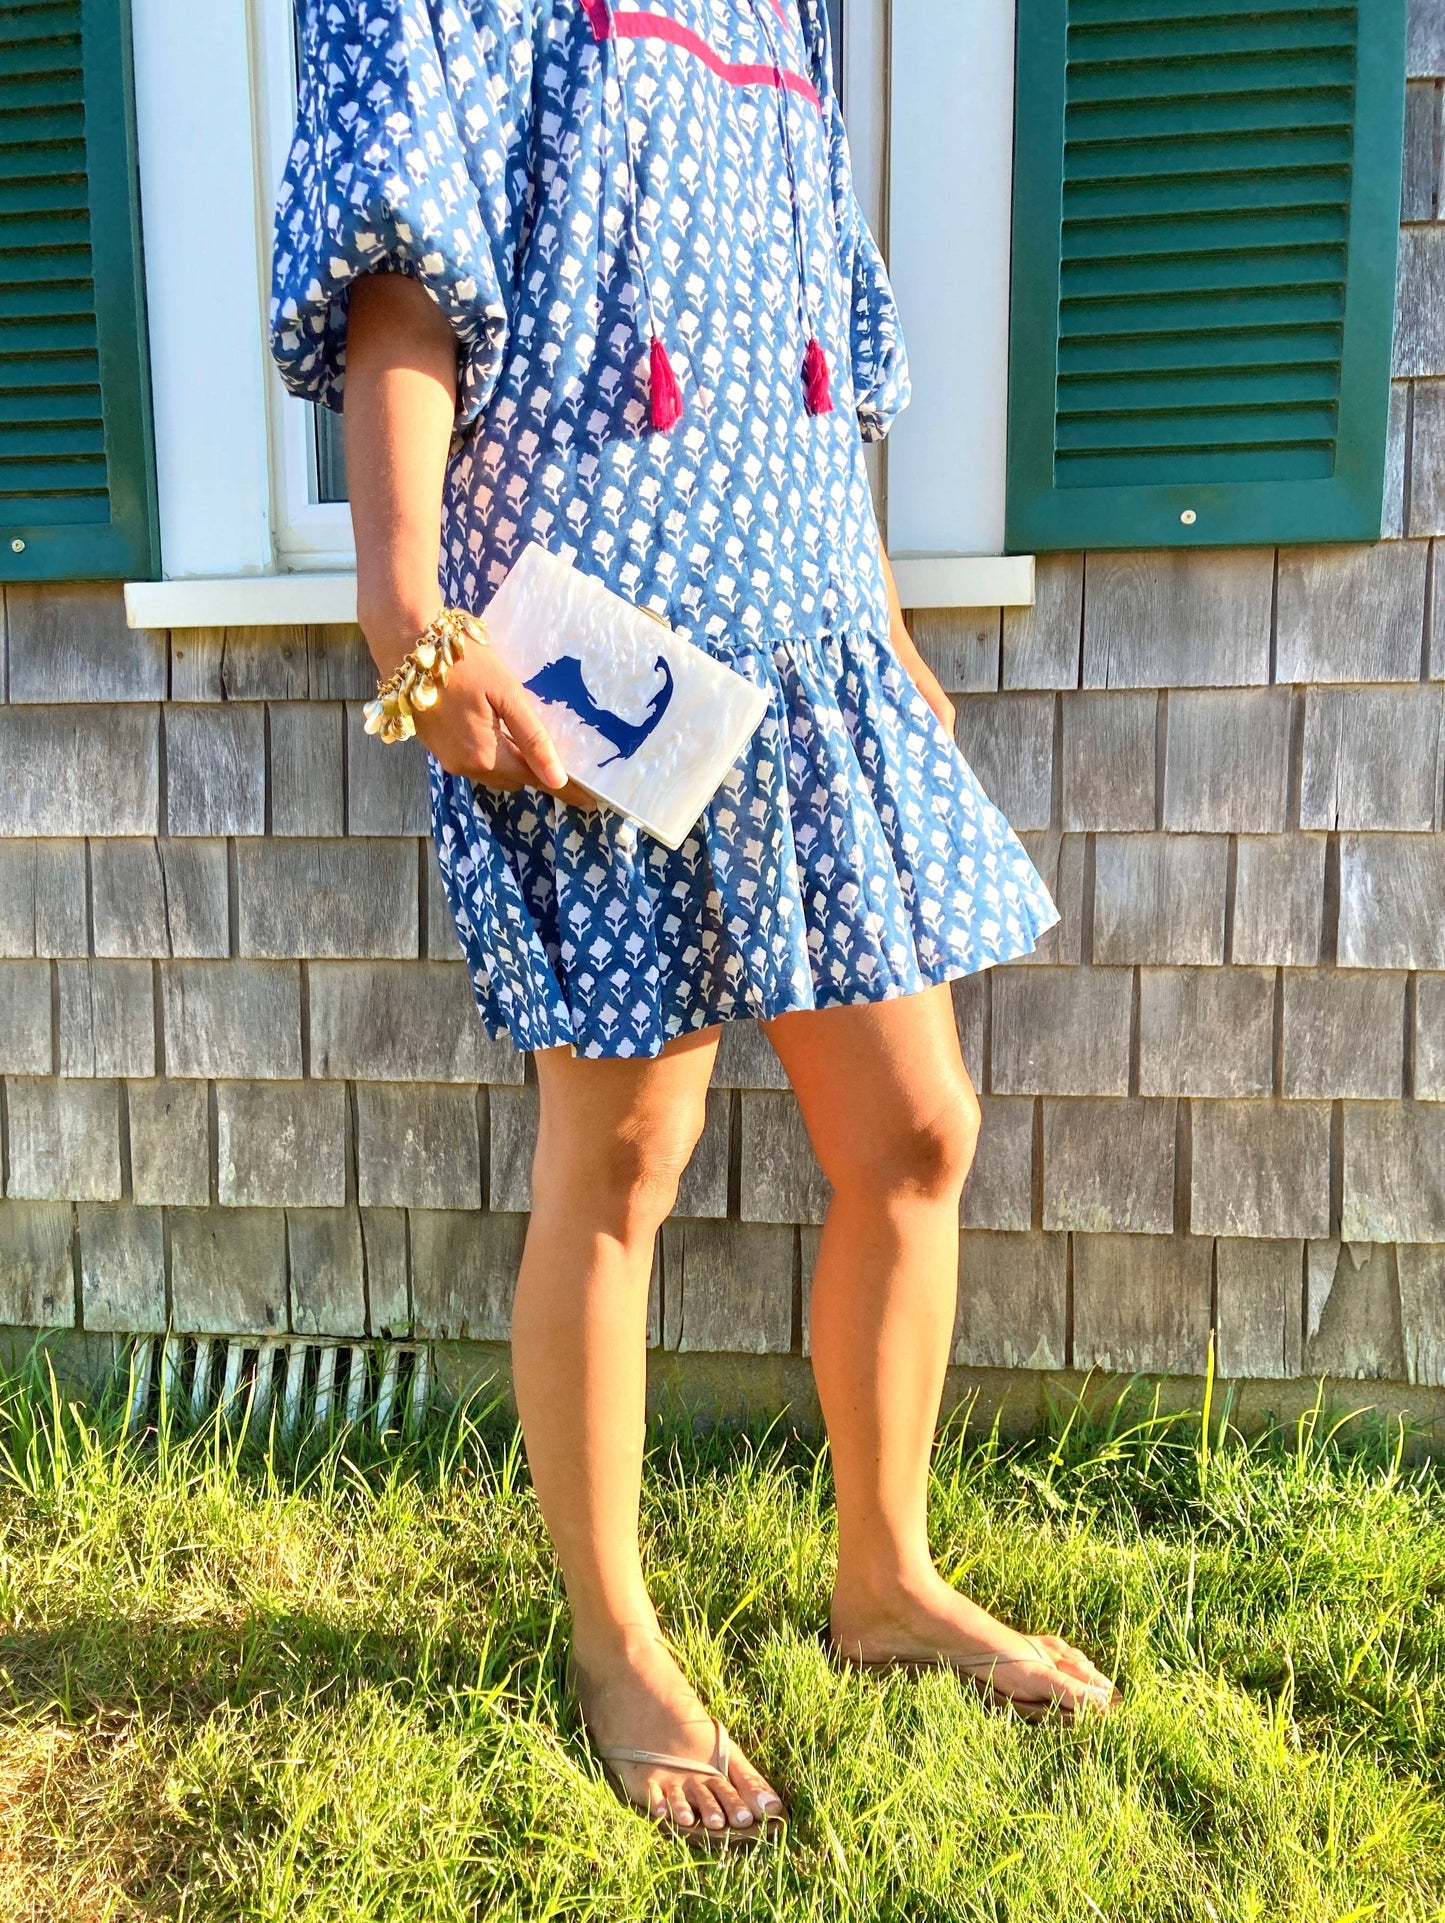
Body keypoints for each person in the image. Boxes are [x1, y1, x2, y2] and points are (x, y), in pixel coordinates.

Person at [271, 0, 1119, 1848]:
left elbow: (812, 311)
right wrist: (409, 598)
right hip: (600, 646)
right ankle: (615, 1644)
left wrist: (879, 612)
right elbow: (402, 272)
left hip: (809, 629)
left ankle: (884, 1579)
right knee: (627, 1150)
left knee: (912, 1130)